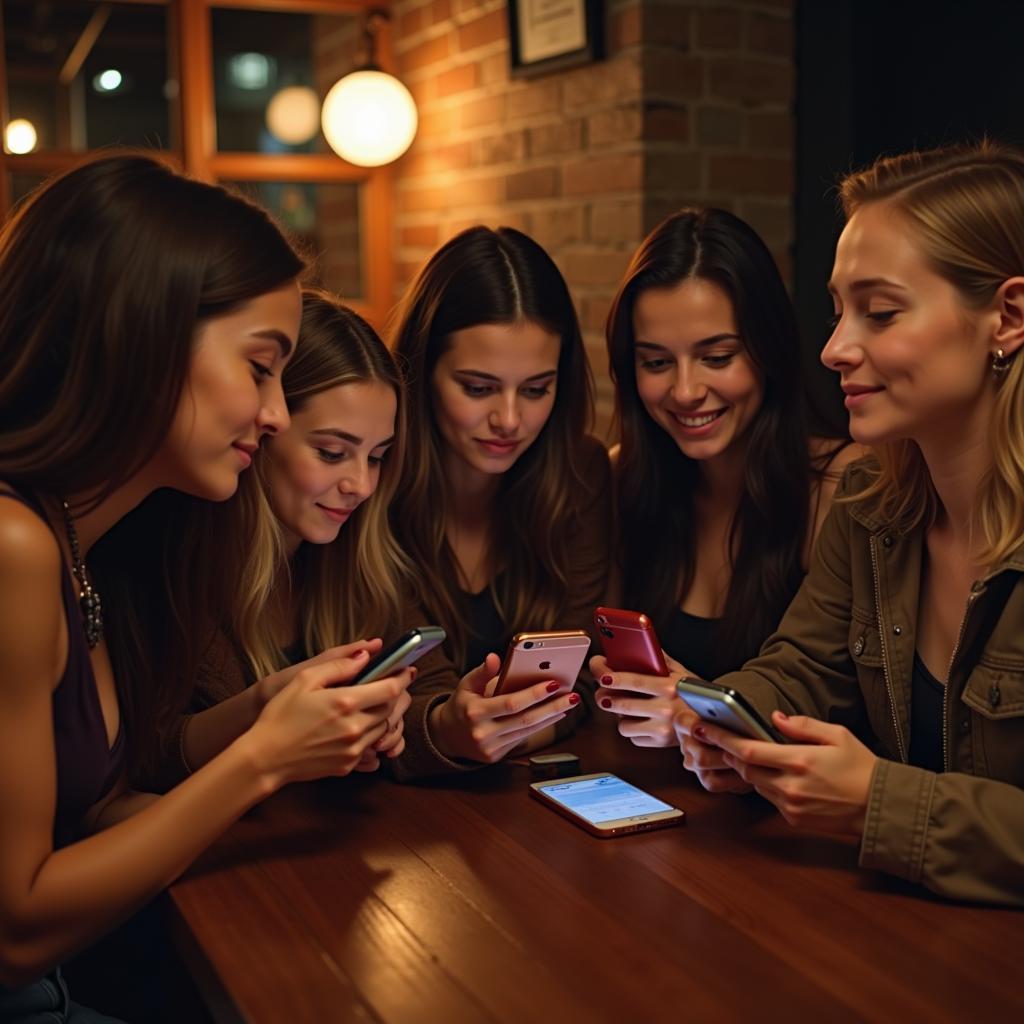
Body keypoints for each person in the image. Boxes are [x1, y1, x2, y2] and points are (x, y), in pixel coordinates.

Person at [0, 156, 411, 1016]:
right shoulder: (13, 544)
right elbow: (17, 933)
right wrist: (263, 762)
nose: (276, 413)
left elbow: (98, 811)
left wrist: (261, 712)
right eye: (261, 367)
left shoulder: (84, 537)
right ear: (139, 339)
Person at [675, 140, 1024, 906]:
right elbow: (802, 665)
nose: (834, 349)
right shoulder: (873, 497)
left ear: (1008, 315)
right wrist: (725, 717)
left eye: (881, 312)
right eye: (838, 311)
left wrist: (877, 804)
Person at [592, 208, 856, 747]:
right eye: (657, 363)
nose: (686, 391)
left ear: (768, 352)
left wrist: (696, 712)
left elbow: (841, 707)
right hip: (656, 800)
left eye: (717, 356)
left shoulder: (840, 486)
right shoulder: (623, 475)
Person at [389, 226, 611, 765]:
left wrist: (492, 737)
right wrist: (450, 732)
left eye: (536, 390)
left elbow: (575, 670)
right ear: (419, 373)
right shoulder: (370, 480)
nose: (509, 420)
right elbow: (401, 699)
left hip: (522, 794)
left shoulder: (578, 472)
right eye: (478, 387)